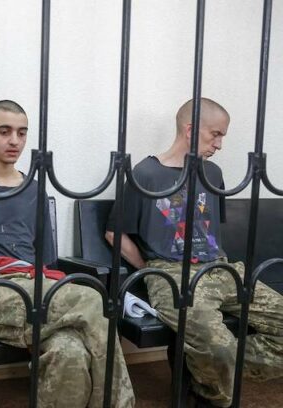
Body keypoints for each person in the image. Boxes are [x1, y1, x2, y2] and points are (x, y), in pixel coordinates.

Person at [0, 100, 135, 408]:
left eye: (21, 133)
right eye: (4, 131)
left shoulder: (34, 190)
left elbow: (46, 261)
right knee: (92, 299)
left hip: (34, 284)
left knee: (68, 350)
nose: (14, 141)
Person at [105, 98, 283, 407]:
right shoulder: (146, 174)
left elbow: (209, 229)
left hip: (221, 267)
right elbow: (114, 233)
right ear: (190, 130)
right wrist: (150, 268)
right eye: (215, 134)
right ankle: (211, 390)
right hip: (172, 273)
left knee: (223, 350)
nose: (220, 144)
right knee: (217, 347)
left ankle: (205, 367)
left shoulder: (212, 173)